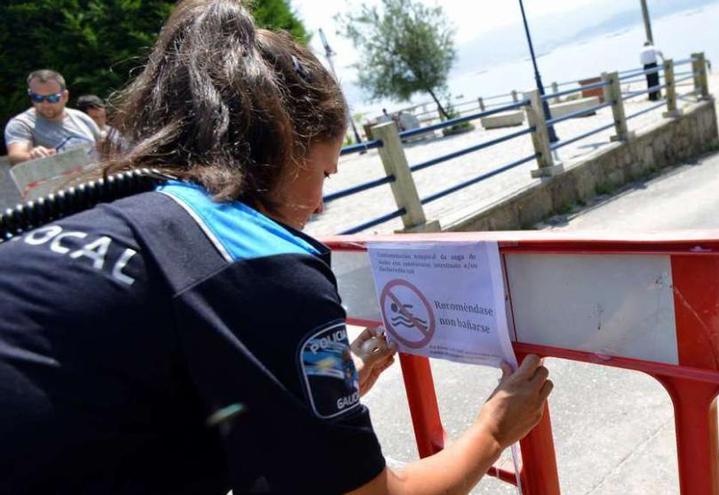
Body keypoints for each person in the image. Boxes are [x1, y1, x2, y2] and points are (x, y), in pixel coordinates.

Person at [0, 1, 553, 494]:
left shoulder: (128, 216)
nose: (317, 205)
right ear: (284, 149)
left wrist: (310, 385)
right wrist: (494, 429)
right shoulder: (261, 260)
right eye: (325, 173)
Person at [4, 69, 102, 165]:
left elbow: (102, 148)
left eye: (52, 98)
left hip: (94, 179)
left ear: (65, 96)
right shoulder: (22, 124)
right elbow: (16, 156)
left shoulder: (82, 118)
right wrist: (32, 155)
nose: (45, 104)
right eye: (37, 98)